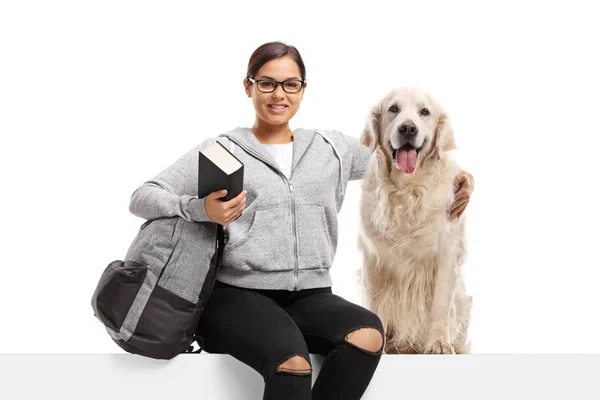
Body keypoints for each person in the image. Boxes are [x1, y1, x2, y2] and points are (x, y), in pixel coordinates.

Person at [130, 41, 474, 399]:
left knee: (369, 335)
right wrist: (201, 209)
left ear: (302, 90)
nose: (279, 94)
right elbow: (143, 196)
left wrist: (464, 177)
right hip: (238, 295)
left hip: (311, 295)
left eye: (290, 84)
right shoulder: (221, 150)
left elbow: (401, 152)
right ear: (248, 87)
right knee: (292, 363)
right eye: (267, 83)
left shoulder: (331, 149)